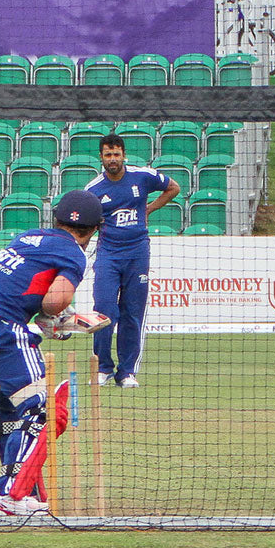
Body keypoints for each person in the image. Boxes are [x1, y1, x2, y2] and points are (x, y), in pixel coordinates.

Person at [0, 190, 103, 516]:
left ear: (56, 219)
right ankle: (9, 494)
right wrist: (60, 319)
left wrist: (47, 318)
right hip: (3, 330)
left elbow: (24, 287)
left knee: (9, 413)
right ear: (94, 230)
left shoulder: (29, 237)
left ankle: (28, 497)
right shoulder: (74, 253)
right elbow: (54, 301)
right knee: (42, 412)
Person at [84, 133, 180, 388]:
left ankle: (127, 372)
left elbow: (174, 187)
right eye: (108, 155)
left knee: (132, 313)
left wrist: (149, 208)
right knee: (104, 310)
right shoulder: (93, 190)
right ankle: (103, 368)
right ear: (101, 157)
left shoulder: (142, 176)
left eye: (117, 154)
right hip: (108, 255)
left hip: (138, 253)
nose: (113, 159)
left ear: (123, 155)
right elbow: (85, 222)